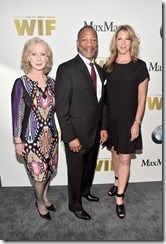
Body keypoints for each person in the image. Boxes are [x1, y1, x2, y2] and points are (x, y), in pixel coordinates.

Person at [55, 26, 108, 220]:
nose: (89, 44)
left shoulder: (101, 72)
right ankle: (74, 204)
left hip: (95, 133)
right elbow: (61, 108)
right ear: (77, 43)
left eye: (93, 39)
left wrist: (103, 127)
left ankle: (85, 191)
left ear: (97, 44)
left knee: (89, 169)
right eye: (85, 40)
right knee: (76, 172)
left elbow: (102, 104)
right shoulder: (66, 69)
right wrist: (70, 137)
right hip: (76, 135)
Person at [104, 25, 150, 219]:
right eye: (119, 38)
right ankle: (116, 181)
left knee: (125, 158)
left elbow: (142, 99)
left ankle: (120, 199)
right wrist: (104, 126)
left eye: (126, 39)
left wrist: (136, 122)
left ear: (132, 42)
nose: (123, 42)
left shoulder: (139, 66)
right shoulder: (109, 66)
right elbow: (104, 100)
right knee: (115, 153)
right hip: (112, 119)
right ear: (115, 42)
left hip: (129, 121)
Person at [11, 37, 58, 221]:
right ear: (27, 57)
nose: (39, 58)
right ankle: (39, 201)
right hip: (31, 140)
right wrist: (17, 140)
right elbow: (17, 113)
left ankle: (45, 197)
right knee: (39, 177)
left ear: (48, 58)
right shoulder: (21, 83)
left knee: (49, 172)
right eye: (34, 54)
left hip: (51, 137)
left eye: (43, 54)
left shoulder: (53, 83)